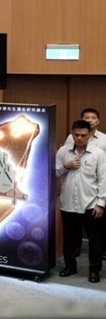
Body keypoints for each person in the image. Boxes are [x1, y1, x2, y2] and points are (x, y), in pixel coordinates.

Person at [55, 119, 105, 283]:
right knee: (69, 238)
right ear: (72, 133)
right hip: (68, 203)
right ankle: (70, 266)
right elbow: (54, 173)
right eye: (76, 134)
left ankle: (94, 270)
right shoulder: (63, 152)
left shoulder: (98, 154)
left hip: (91, 204)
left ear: (90, 135)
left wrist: (100, 203)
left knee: (95, 240)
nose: (79, 138)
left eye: (83, 135)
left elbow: (103, 179)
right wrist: (66, 166)